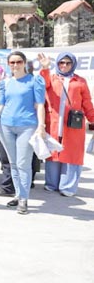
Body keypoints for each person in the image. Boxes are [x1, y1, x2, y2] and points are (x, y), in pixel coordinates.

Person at [0, 50, 46, 215]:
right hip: (5, 125)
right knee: (13, 163)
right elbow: (0, 104)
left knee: (23, 164)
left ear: (24, 63)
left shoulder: (35, 80)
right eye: (12, 62)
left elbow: (40, 105)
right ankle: (19, 194)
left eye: (18, 62)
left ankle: (24, 199)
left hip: (27, 125)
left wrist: (41, 125)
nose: (15, 65)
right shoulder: (5, 83)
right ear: (8, 64)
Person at [37, 52, 94, 197]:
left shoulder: (80, 81)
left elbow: (87, 102)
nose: (64, 65)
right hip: (53, 122)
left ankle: (67, 187)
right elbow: (41, 85)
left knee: (72, 154)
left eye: (68, 63)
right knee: (53, 153)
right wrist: (44, 68)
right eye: (61, 62)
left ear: (73, 64)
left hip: (73, 124)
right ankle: (51, 184)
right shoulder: (51, 77)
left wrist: (92, 118)